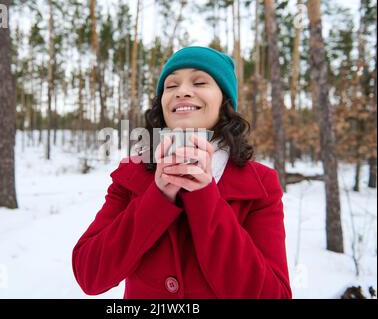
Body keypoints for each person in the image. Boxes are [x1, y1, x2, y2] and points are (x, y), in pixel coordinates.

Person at [72, 46, 292, 299]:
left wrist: (204, 196)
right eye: (171, 86)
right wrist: (157, 198)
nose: (182, 92)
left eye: (199, 81)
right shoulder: (130, 175)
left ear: (224, 102)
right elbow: (89, 275)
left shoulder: (261, 184)